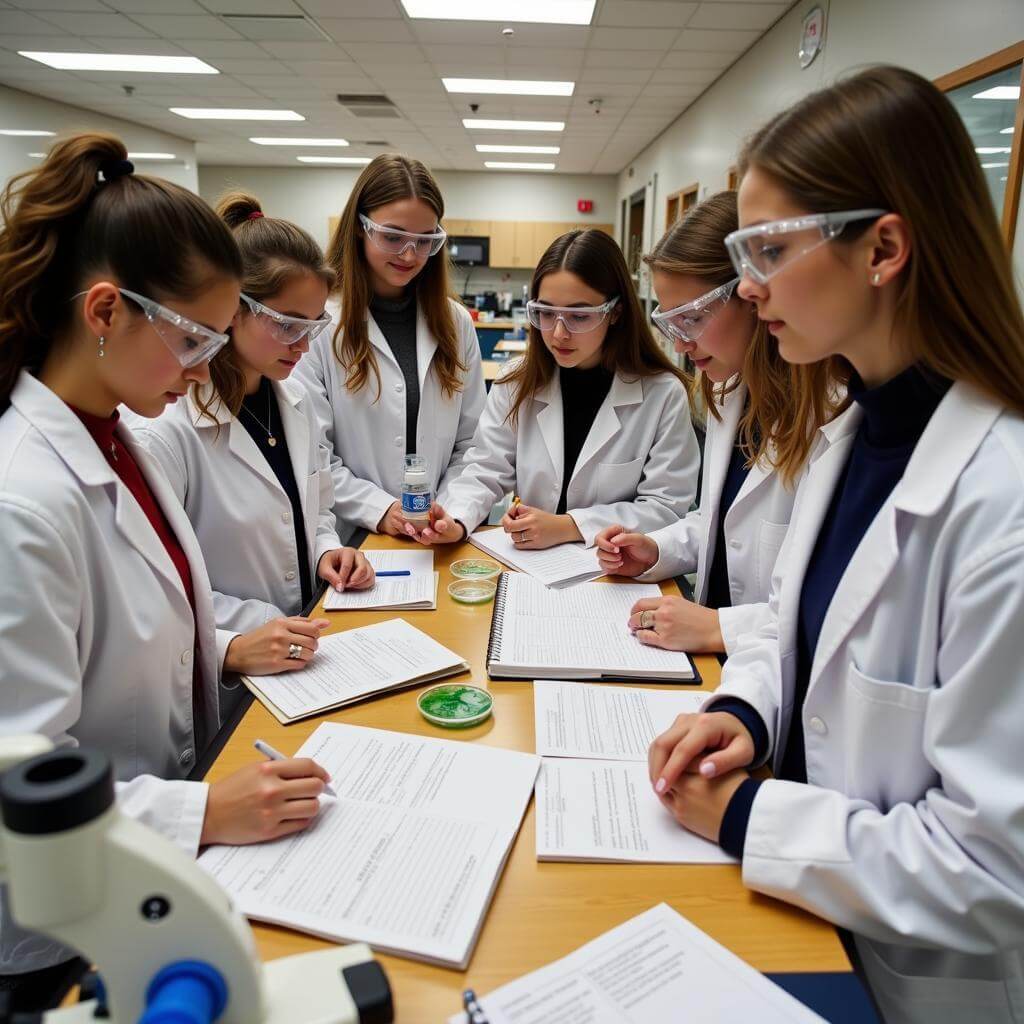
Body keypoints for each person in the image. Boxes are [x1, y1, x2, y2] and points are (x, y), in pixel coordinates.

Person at [648, 67, 1024, 1024]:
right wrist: (746, 711)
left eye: (769, 248)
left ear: (884, 248)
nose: (745, 285)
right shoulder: (847, 434)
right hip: (810, 917)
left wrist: (741, 813)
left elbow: (991, 868)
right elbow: (794, 631)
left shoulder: (1002, 502)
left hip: (923, 982)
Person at [0, 134, 332, 995]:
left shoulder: (117, 440)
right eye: (192, 340)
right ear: (105, 311)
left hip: (155, 859)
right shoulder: (22, 499)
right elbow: (18, 778)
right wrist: (203, 809)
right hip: (61, 922)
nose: (204, 367)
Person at [593, 192, 843, 653]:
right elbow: (720, 523)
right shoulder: (730, 393)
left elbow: (830, 603)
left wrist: (718, 629)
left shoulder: (834, 418)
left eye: (692, 318)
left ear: (752, 296)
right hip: (720, 662)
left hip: (771, 668)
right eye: (672, 323)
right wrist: (655, 548)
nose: (682, 344)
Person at [130, 191, 373, 641]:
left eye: (314, 324)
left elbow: (315, 508)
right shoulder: (166, 428)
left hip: (305, 636)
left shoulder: (295, 398)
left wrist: (326, 551)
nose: (304, 344)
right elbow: (154, 581)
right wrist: (242, 636)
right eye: (288, 324)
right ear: (232, 310)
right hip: (226, 662)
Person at [420, 228, 700, 549]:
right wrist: (454, 519)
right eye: (546, 313)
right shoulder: (516, 382)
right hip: (533, 566)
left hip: (616, 569)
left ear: (616, 312)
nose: (558, 334)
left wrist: (569, 526)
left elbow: (666, 507)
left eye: (579, 316)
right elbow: (485, 467)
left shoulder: (662, 394)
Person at [293, 153, 485, 542]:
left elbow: (473, 445)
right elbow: (314, 455)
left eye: (425, 240)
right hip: (353, 538)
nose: (410, 255)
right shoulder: (319, 325)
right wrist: (381, 510)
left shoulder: (455, 323)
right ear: (360, 228)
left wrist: (449, 512)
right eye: (393, 237)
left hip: (438, 536)